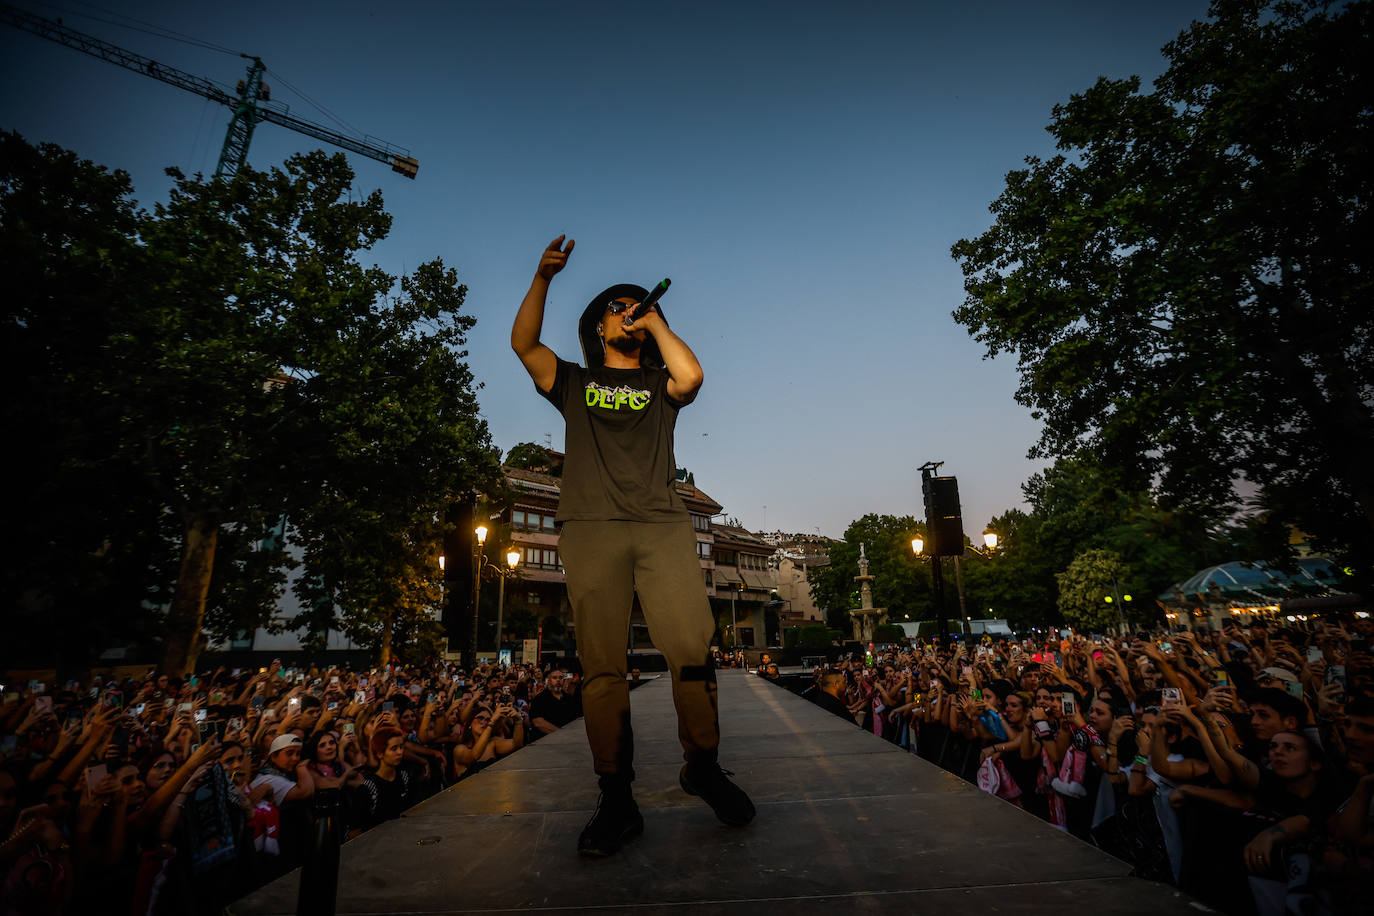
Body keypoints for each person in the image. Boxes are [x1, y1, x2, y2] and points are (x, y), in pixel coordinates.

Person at [512, 235, 754, 856]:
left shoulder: (657, 384)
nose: (628, 310)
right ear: (597, 324)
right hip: (592, 526)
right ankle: (616, 797)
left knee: (692, 650)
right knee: (602, 666)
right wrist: (542, 278)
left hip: (662, 524)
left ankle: (702, 766)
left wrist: (653, 321)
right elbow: (524, 345)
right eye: (616, 306)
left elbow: (692, 374)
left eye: (636, 306)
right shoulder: (572, 380)